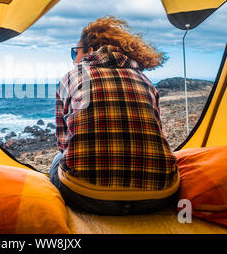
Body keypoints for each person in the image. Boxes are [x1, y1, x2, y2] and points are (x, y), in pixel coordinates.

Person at [50, 16, 179, 215]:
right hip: (158, 195)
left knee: (57, 160)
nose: (74, 58)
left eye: (75, 52)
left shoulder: (73, 76)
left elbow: (62, 142)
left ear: (90, 51)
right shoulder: (145, 81)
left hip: (87, 196)